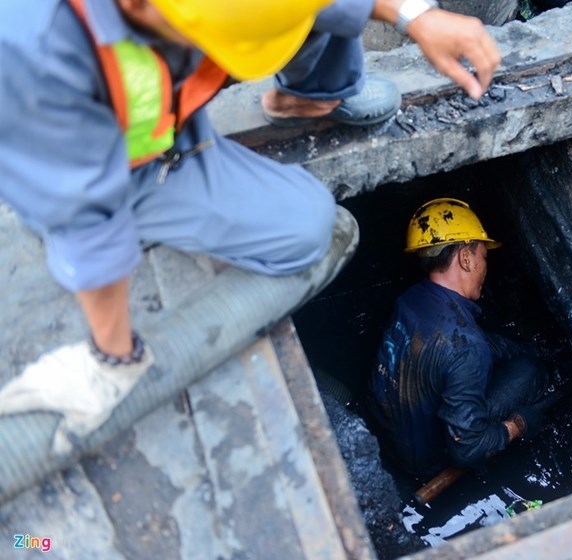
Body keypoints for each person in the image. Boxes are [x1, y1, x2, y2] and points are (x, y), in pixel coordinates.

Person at [0, 0, 501, 445]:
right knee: (313, 227)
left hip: (168, 92)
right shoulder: (38, 65)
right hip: (129, 161)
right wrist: (111, 361)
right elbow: (89, 227)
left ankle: (313, 96)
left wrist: (418, 16)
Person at [368, 198, 560, 480]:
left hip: (390, 436)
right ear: (466, 258)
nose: (484, 266)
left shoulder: (409, 300)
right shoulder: (467, 346)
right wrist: (518, 424)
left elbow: (463, 345)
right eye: (484, 257)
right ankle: (544, 365)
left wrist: (521, 347)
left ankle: (536, 350)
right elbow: (466, 450)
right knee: (530, 372)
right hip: (429, 460)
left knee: (503, 348)